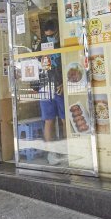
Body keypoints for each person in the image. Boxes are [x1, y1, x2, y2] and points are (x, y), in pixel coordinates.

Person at [34, 19, 65, 165]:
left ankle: (65, 150)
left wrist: (65, 82)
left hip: (57, 86)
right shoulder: (42, 46)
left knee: (63, 119)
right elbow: (35, 67)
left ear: (57, 31)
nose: (50, 38)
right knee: (52, 120)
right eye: (48, 36)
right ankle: (52, 153)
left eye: (52, 35)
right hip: (48, 87)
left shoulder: (60, 42)